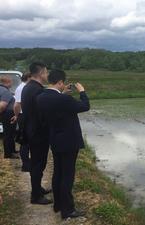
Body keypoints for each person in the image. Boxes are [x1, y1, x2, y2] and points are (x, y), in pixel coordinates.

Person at [37, 69, 89, 219]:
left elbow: (57, 107)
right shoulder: (64, 100)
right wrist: (82, 92)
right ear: (60, 82)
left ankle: (58, 205)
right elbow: (85, 106)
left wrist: (63, 94)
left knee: (58, 173)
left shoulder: (41, 97)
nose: (64, 85)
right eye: (63, 83)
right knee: (67, 176)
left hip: (55, 140)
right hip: (69, 142)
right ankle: (68, 210)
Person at [21, 62, 52, 205]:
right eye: (46, 72)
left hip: (30, 130)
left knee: (36, 162)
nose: (47, 75)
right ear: (40, 73)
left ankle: (38, 189)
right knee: (38, 164)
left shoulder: (28, 87)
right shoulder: (38, 90)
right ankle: (35, 196)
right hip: (38, 133)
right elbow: (43, 114)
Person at [11, 72, 31, 171]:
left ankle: (27, 162)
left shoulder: (22, 87)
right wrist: (17, 115)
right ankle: (26, 165)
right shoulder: (22, 88)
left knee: (26, 141)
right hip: (23, 116)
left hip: (23, 116)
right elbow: (17, 105)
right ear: (28, 78)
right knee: (25, 141)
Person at [0, 76, 18, 159]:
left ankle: (12, 150)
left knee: (10, 133)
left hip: (6, 114)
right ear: (6, 82)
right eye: (11, 82)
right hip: (8, 114)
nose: (12, 83)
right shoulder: (5, 91)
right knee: (8, 134)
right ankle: (8, 153)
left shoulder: (2, 89)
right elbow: (2, 105)